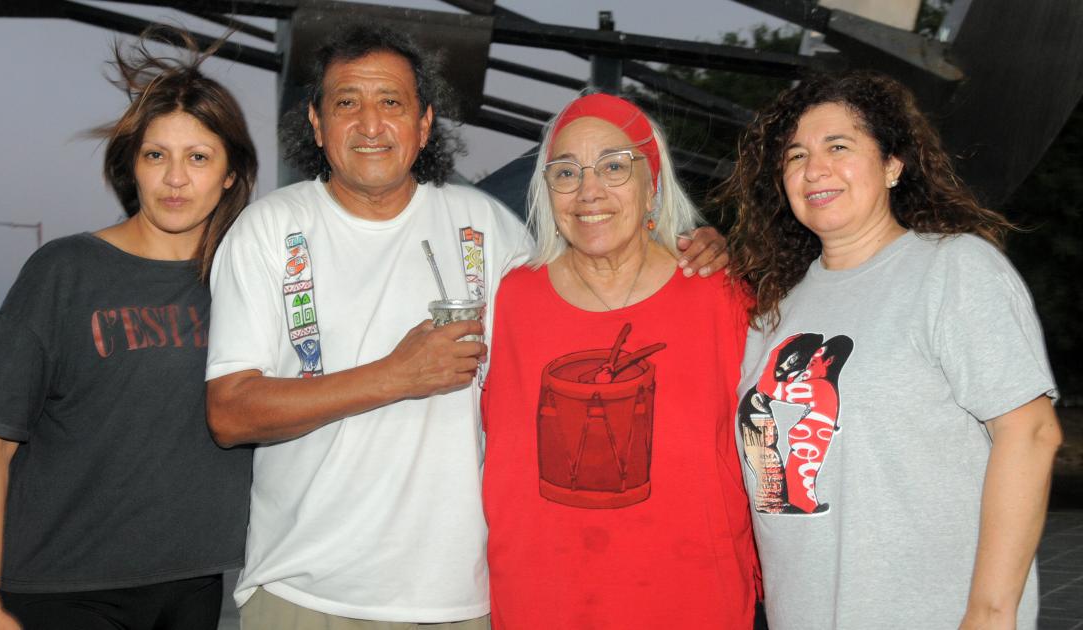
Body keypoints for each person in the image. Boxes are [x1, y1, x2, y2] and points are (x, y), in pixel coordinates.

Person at [204, 24, 730, 629]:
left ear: (424, 124)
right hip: (306, 592)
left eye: (392, 103)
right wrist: (391, 376)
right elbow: (229, 414)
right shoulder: (267, 230)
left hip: (461, 599)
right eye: (347, 103)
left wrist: (689, 246)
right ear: (318, 125)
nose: (370, 125)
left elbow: (597, 286)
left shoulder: (486, 226)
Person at [723, 71, 1062, 630]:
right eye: (795, 155)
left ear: (892, 165)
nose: (815, 169)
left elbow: (1030, 432)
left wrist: (990, 612)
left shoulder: (951, 269)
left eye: (840, 146)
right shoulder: (774, 310)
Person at [0, 29, 257, 630]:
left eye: (198, 157)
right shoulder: (64, 272)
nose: (176, 178)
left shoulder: (245, 281)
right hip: (64, 590)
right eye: (156, 155)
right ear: (132, 167)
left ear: (229, 174)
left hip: (193, 585)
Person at [480, 93, 759, 629]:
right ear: (547, 192)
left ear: (652, 183)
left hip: (692, 603)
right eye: (566, 172)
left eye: (614, 166)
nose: (589, 191)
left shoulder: (721, 296)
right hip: (544, 605)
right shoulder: (511, 300)